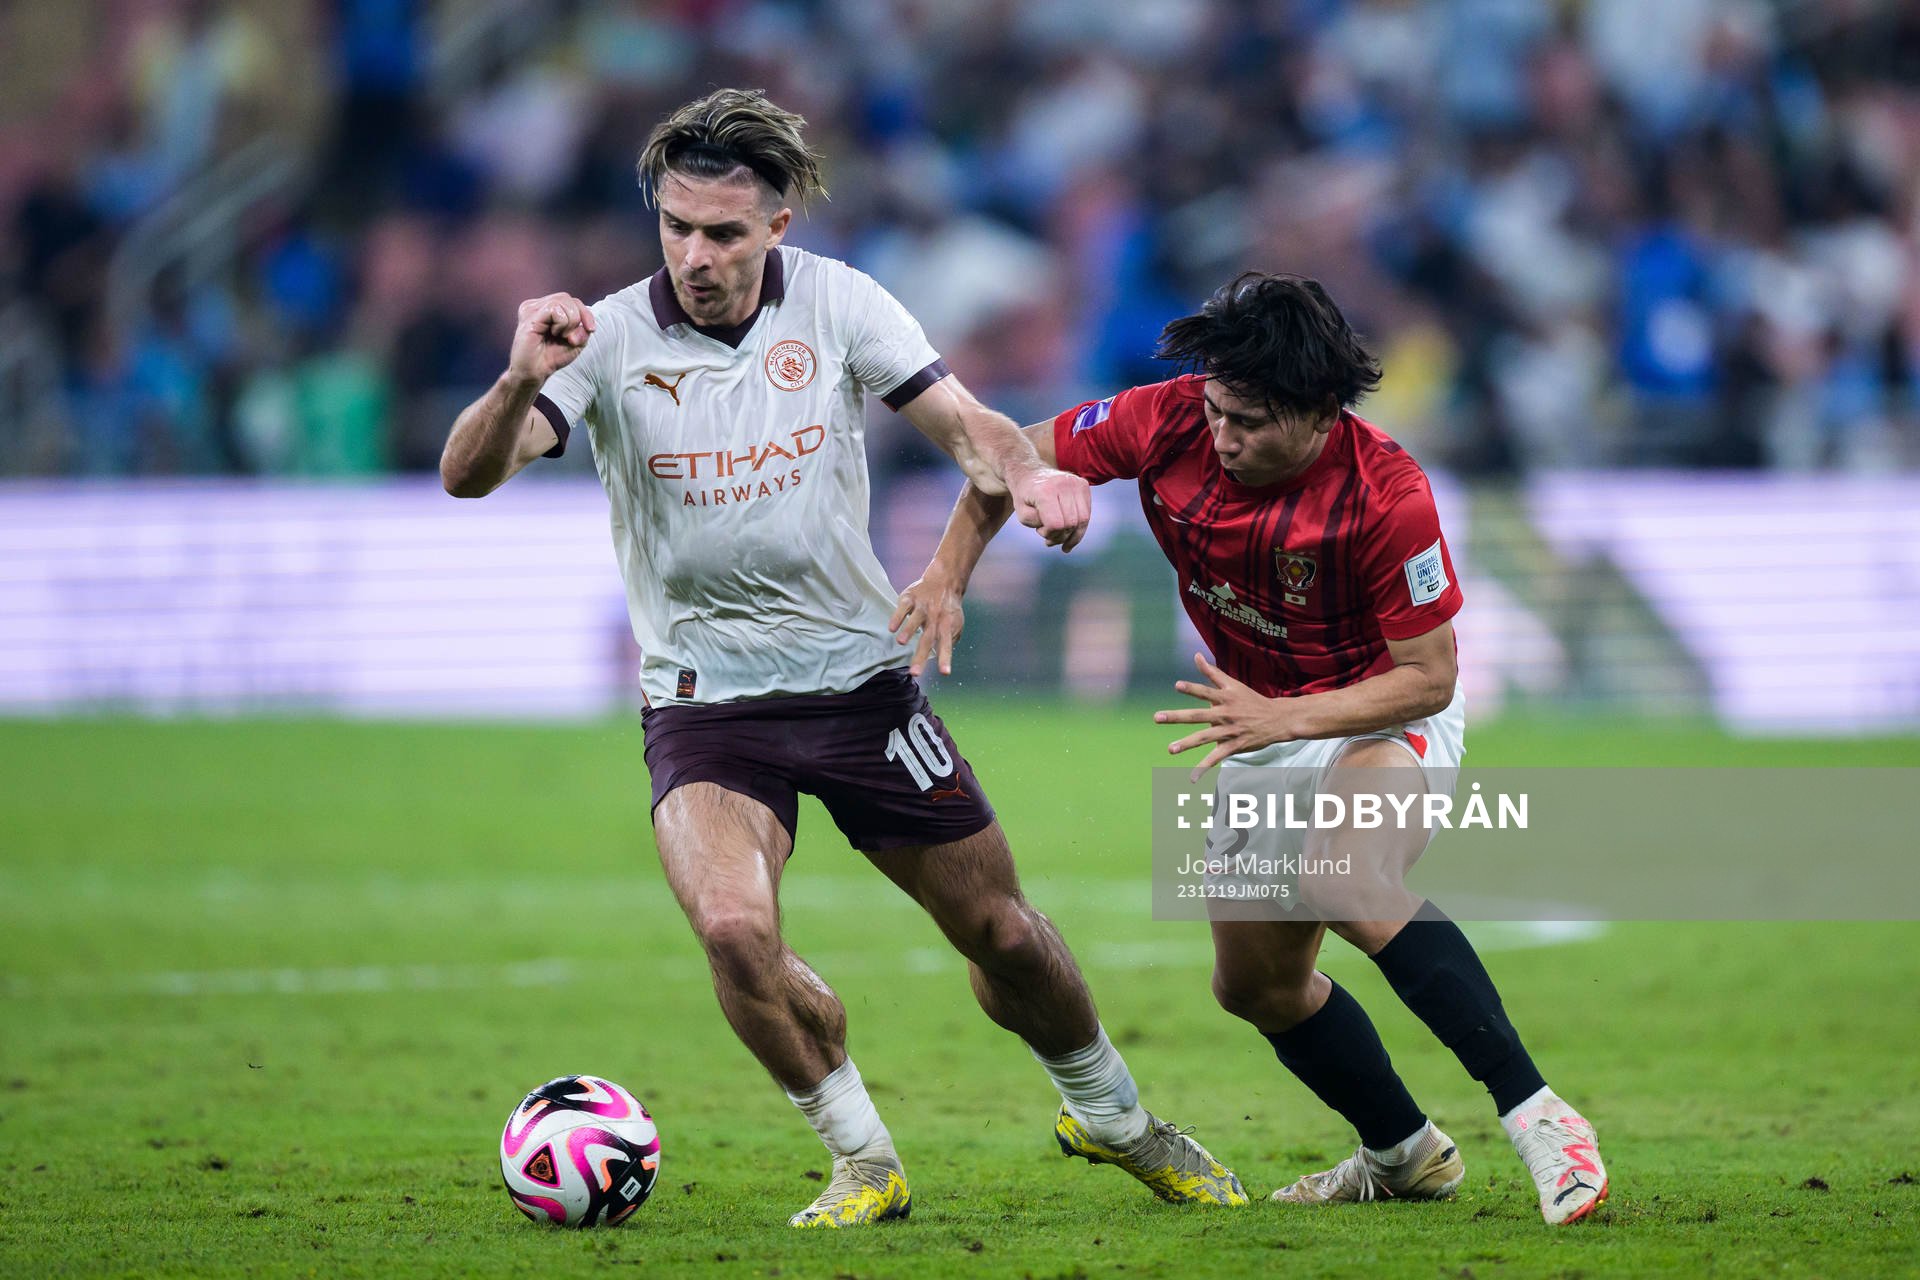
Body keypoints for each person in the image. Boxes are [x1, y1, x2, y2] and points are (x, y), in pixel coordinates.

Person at [438, 88, 1246, 1228]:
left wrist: (1030, 474)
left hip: (860, 685)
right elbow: (468, 473)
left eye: (724, 232)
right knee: (734, 931)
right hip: (705, 704)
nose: (696, 255)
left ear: (776, 225)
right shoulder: (602, 338)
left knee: (1002, 933)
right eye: (676, 226)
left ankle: (1115, 1117)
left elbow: (968, 426)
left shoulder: (839, 301)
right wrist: (521, 374)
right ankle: (864, 1158)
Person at [898, 272, 1609, 1226]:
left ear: (1319, 411)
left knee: (1349, 877)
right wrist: (952, 570)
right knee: (1256, 986)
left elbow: (1430, 677)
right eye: (1217, 410)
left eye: (1250, 422)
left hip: (1371, 717)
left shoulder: (1389, 496)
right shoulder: (1170, 418)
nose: (1223, 436)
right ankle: (1402, 1153)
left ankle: (1541, 1118)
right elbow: (1012, 455)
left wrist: (1286, 719)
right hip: (1254, 722)